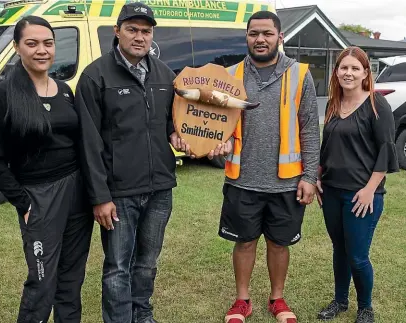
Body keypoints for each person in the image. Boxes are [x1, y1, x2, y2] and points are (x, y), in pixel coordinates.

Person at [74, 3, 188, 323]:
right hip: (118, 193)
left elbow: (170, 124)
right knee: (117, 267)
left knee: (147, 262)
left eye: (146, 31)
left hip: (160, 187)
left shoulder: (165, 74)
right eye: (132, 29)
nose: (140, 37)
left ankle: (142, 312)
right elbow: (88, 142)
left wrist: (179, 136)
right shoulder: (95, 75)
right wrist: (100, 196)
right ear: (117, 31)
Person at [209, 11, 320, 323]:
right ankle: (242, 301)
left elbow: (310, 128)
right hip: (242, 179)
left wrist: (309, 176)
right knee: (244, 242)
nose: (260, 39)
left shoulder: (300, 74)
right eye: (253, 33)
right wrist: (218, 142)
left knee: (279, 243)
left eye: (267, 34)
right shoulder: (229, 76)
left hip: (286, 180)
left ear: (279, 37)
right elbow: (220, 125)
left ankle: (277, 298)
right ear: (246, 37)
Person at [0, 16, 94, 323]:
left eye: (48, 43)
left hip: (77, 194)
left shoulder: (64, 90)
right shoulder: (1, 95)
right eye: (32, 43)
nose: (41, 50)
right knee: (42, 281)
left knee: (71, 279)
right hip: (39, 198)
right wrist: (25, 204)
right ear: (17, 48)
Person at [316, 47, 398, 323]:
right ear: (336, 71)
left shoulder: (376, 103)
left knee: (358, 255)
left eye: (355, 68)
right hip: (331, 192)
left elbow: (386, 150)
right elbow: (326, 147)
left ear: (365, 73)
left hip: (362, 194)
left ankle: (365, 308)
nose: (348, 73)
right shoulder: (332, 104)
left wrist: (369, 189)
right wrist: (316, 176)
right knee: (339, 250)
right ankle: (340, 301)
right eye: (343, 67)